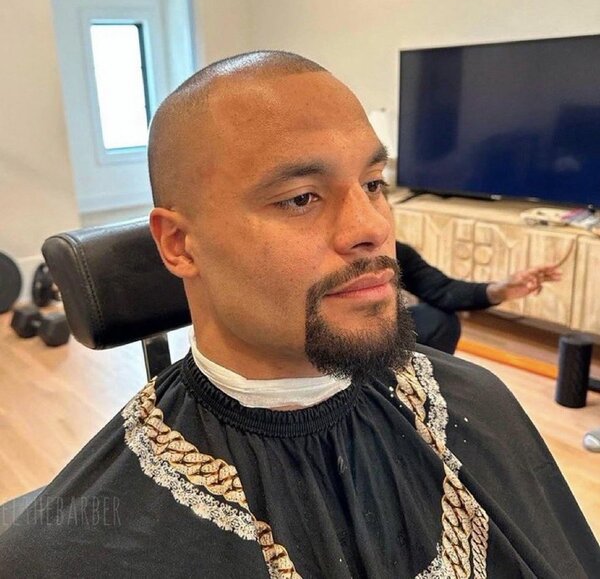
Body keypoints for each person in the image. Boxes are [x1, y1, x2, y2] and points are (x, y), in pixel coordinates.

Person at [0, 51, 597, 578]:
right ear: (180, 245)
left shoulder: (479, 402)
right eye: (300, 198)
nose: (371, 227)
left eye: (373, 183)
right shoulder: (64, 553)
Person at [396, 241, 562, 354]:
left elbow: (443, 290)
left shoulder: (398, 252)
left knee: (440, 320)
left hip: (391, 331)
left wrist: (500, 290)